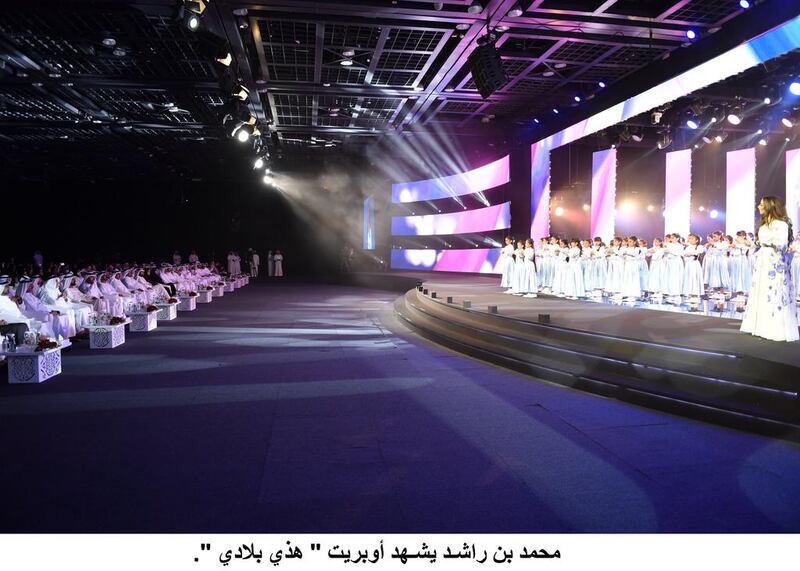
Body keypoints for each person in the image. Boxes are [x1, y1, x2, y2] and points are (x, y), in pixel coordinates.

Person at [741, 196, 799, 342]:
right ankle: (760, 326)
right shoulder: (763, 225)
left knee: (773, 292)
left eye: (761, 204)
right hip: (763, 260)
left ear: (770, 206)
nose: (759, 206)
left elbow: (781, 244)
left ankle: (774, 328)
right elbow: (760, 243)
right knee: (761, 290)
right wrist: (752, 244)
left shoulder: (780, 224)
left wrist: (765, 242)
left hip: (774, 261)